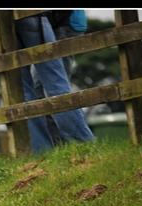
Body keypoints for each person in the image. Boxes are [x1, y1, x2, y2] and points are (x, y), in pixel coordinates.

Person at [15, 13, 95, 153]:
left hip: (10, 23)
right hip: (46, 20)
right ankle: (83, 144)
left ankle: (44, 150)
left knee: (24, 91)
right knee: (55, 86)